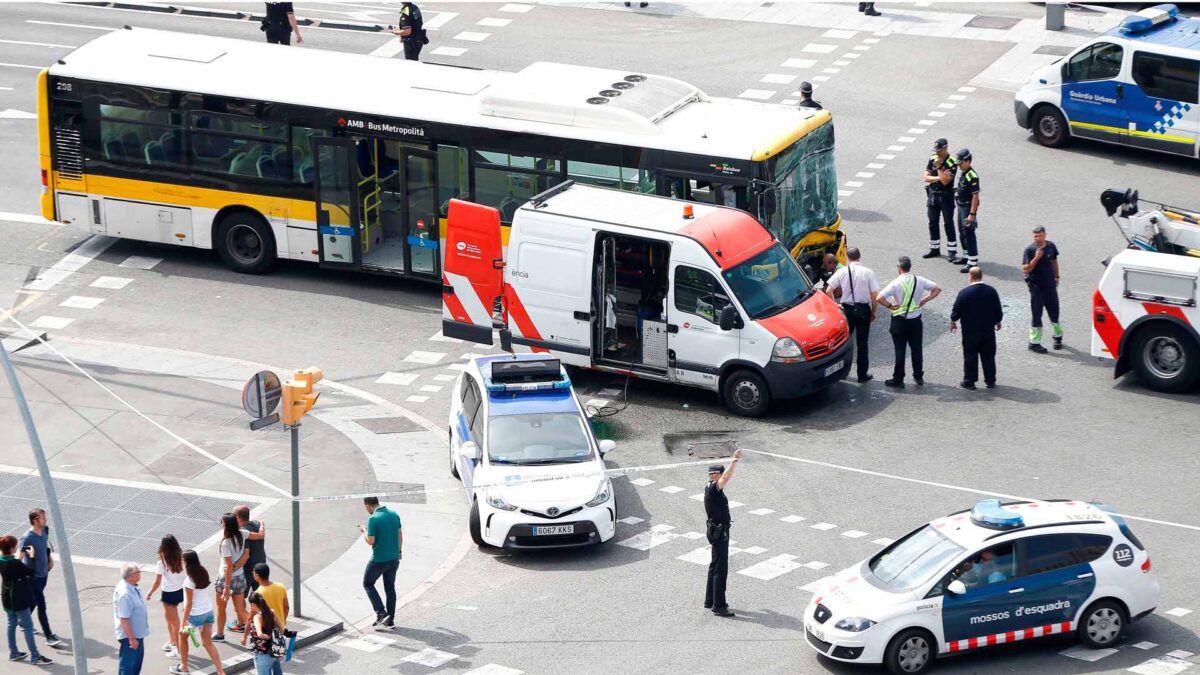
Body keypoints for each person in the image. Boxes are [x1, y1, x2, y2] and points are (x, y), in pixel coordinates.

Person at [877, 256, 942, 388]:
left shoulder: (895, 283)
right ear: (910, 267)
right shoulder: (919, 280)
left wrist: (890, 306)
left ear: (898, 268)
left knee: (900, 350)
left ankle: (898, 379)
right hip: (915, 321)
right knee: (917, 349)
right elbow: (937, 289)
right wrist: (924, 300)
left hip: (899, 321)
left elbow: (879, 298)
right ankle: (918, 376)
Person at [824, 247, 880, 383]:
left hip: (847, 309)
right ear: (859, 256)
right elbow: (874, 295)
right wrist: (873, 311)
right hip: (863, 310)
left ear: (848, 258)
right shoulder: (868, 272)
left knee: (845, 342)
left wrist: (835, 304)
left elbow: (828, 290)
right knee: (862, 343)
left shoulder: (842, 271)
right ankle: (862, 375)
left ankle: (843, 373)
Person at [173, 550, 225, 675]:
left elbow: (189, 604)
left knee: (182, 637)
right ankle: (220, 671)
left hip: (195, 616)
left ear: (186, 562)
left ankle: (184, 667)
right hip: (208, 612)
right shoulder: (203, 572)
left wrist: (182, 623)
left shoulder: (188, 581)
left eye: (182, 560)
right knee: (208, 643)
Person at [1, 534, 51, 665]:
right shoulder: (16, 563)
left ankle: (14, 653)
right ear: (12, 549)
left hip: (6, 598)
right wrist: (32, 556)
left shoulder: (2, 561)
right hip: (19, 599)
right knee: (28, 627)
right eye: (15, 546)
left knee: (11, 624)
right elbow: (31, 571)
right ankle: (35, 656)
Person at [950, 267, 1003, 390]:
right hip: (988, 331)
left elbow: (956, 310)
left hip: (970, 331)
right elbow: (998, 309)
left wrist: (953, 321)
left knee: (970, 355)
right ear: (981, 275)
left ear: (970, 276)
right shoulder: (991, 291)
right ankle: (990, 380)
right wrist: (998, 321)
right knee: (988, 355)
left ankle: (970, 381)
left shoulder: (964, 293)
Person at [704, 449, 742, 618]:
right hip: (720, 532)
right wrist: (734, 461)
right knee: (721, 569)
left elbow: (724, 478)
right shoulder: (714, 488)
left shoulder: (709, 488)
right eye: (719, 475)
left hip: (715, 530)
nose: (722, 478)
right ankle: (718, 605)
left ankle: (710, 599)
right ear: (715, 476)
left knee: (714, 566)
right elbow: (726, 478)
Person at [18, 508, 61, 648]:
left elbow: (45, 546)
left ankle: (23, 620)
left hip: (44, 574)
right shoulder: (27, 538)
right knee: (41, 605)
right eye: (42, 518)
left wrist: (50, 559)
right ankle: (49, 636)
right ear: (35, 520)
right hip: (34, 577)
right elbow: (19, 559)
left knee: (34, 601)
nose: (45, 519)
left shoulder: (44, 530)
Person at [359, 497, 402, 629]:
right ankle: (390, 620)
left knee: (367, 583)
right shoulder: (394, 514)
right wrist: (399, 552)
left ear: (368, 506)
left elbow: (370, 541)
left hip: (378, 560)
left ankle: (381, 612)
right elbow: (400, 534)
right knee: (390, 588)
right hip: (394, 558)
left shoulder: (373, 519)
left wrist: (364, 530)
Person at [922, 138, 963, 264]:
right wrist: (939, 177)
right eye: (936, 150)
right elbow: (925, 177)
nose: (937, 153)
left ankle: (952, 251)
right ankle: (934, 248)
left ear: (945, 148)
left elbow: (946, 181)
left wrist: (939, 167)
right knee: (932, 221)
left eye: (939, 150)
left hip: (946, 196)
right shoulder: (933, 158)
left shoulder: (951, 162)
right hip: (933, 194)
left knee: (948, 223)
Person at [1021, 226, 1062, 354]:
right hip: (1036, 288)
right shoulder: (1030, 250)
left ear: (1045, 235)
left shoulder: (1051, 246)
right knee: (1037, 314)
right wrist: (1036, 258)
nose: (1037, 238)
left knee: (1054, 312)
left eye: (1040, 235)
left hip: (1050, 286)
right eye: (1035, 236)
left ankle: (1057, 337)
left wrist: (1056, 276)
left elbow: (1054, 261)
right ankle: (1034, 343)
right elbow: (1026, 269)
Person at [146, 535, 186, 660]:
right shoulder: (181, 558)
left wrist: (150, 592)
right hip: (179, 591)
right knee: (169, 619)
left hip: (168, 593)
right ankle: (172, 641)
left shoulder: (162, 562)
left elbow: (157, 582)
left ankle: (178, 649)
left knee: (174, 622)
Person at [213, 514, 249, 641]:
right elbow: (259, 535)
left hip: (226, 579)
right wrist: (262, 526)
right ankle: (259, 630)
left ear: (226, 525)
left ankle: (220, 634)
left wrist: (226, 587)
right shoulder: (243, 534)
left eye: (222, 522)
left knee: (221, 608)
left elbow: (228, 566)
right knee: (241, 609)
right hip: (240, 576)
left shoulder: (226, 543)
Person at [114, 563, 150, 675]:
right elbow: (124, 619)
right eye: (138, 572)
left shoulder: (132, 585)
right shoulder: (125, 594)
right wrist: (132, 639)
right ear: (131, 576)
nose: (140, 573)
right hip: (131, 636)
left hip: (138, 634)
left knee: (136, 664)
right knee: (128, 667)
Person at [954, 149, 981, 273]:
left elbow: (975, 197)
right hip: (960, 206)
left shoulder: (972, 175)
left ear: (968, 161)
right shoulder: (964, 172)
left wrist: (972, 214)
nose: (959, 165)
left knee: (969, 233)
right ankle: (966, 255)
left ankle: (972, 261)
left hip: (967, 207)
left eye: (961, 163)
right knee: (961, 231)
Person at [244, 592, 283, 675]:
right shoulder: (272, 612)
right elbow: (281, 629)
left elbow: (260, 634)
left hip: (262, 655)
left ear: (253, 604)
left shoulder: (257, 617)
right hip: (274, 652)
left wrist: (268, 637)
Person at [234, 507, 267, 592]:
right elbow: (261, 522)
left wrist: (233, 568)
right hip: (261, 564)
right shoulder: (257, 524)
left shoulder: (243, 533)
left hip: (248, 569)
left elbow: (246, 555)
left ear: (237, 517)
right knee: (260, 594)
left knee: (241, 596)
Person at [248, 564, 288, 631]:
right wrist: (283, 621)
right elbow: (286, 607)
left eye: (253, 573)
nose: (253, 574)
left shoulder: (257, 594)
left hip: (267, 629)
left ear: (257, 575)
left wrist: (244, 637)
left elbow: (250, 617)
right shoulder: (281, 586)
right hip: (280, 627)